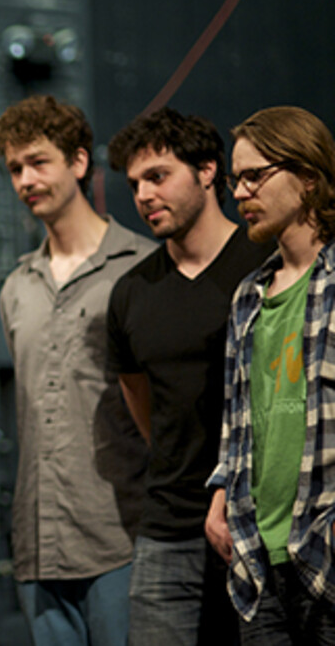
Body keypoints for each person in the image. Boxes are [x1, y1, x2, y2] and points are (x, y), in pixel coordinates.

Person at [105, 107, 271, 645]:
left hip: (259, 520)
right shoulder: (133, 292)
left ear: (206, 172)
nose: (143, 195)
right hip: (169, 523)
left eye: (157, 176)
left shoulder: (263, 262)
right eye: (134, 184)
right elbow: (141, 401)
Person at [0, 95, 154, 646]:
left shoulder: (141, 270)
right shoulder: (16, 287)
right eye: (15, 168)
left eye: (39, 162)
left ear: (79, 163)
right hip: (39, 546)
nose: (25, 179)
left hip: (120, 538)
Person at [205, 106, 335, 644]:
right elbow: (240, 417)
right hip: (258, 560)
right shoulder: (248, 297)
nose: (240, 192)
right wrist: (220, 496)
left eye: (255, 175)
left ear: (307, 177)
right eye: (236, 179)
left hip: (323, 546)